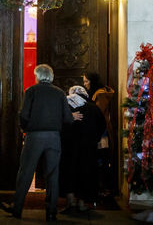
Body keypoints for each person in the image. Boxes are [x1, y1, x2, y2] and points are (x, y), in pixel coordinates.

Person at [2, 64, 73, 221]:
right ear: (51, 76)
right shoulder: (60, 93)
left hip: (34, 136)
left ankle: (17, 208)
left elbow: (24, 114)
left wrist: (24, 128)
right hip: (54, 137)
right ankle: (51, 211)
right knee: (52, 174)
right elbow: (68, 118)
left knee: (26, 172)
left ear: (37, 76)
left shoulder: (31, 91)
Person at [59, 85, 106, 213]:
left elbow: (57, 123)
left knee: (68, 174)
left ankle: (70, 203)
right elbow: (102, 125)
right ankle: (82, 203)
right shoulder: (93, 108)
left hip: (67, 148)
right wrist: (94, 139)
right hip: (87, 149)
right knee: (85, 174)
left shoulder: (64, 106)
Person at [83, 72, 115, 196]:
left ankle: (102, 188)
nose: (85, 84)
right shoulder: (98, 93)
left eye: (86, 81)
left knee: (101, 159)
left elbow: (98, 114)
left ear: (92, 81)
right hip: (99, 130)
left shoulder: (100, 94)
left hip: (101, 131)